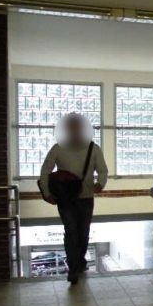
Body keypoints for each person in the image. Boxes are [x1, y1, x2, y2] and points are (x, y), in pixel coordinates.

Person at [39, 113, 107, 284]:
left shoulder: (93, 148)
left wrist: (100, 183)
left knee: (83, 232)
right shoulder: (58, 148)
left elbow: (103, 170)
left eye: (77, 127)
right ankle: (74, 267)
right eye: (72, 127)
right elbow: (45, 170)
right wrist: (46, 193)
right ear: (66, 129)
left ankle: (78, 261)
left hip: (86, 197)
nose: (75, 130)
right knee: (71, 231)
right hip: (65, 198)